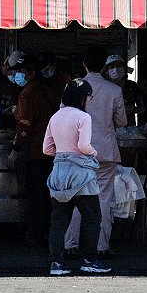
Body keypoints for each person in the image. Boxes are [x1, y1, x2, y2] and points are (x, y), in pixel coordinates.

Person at [43, 79, 112, 276]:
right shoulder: (83, 117)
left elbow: (47, 149)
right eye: (89, 96)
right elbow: (83, 145)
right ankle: (89, 259)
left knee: (58, 220)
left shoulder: (55, 117)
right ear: (83, 97)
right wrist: (94, 152)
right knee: (92, 217)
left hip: (59, 172)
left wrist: (63, 152)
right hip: (81, 174)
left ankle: (56, 263)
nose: (90, 100)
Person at [65, 46, 127, 257]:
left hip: (76, 152)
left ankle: (71, 244)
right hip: (105, 153)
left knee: (75, 198)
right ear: (103, 67)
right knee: (103, 199)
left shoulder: (72, 87)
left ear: (84, 65)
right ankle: (101, 246)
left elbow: (63, 117)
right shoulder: (115, 90)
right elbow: (122, 121)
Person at [11, 53, 62, 245]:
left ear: (30, 73)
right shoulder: (46, 90)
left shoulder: (28, 93)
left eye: (20, 72)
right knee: (47, 194)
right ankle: (48, 231)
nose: (17, 75)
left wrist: (15, 150)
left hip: (33, 152)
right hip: (50, 151)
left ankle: (35, 234)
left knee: (34, 196)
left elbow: (24, 127)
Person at [104, 53, 147, 127]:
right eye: (112, 67)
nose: (115, 69)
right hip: (109, 129)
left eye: (118, 66)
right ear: (107, 71)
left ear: (124, 68)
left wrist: (132, 109)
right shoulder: (104, 88)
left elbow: (142, 108)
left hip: (129, 129)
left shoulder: (133, 86)